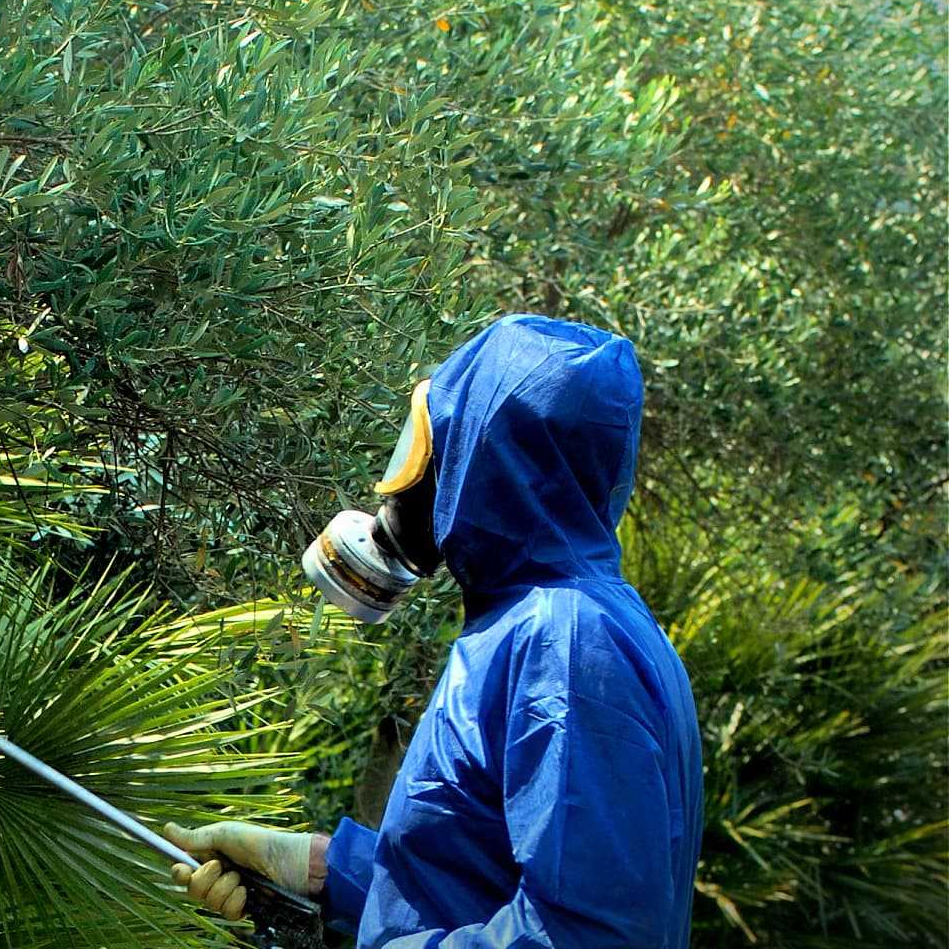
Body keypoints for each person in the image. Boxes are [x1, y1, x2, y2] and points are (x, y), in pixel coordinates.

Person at [166, 314, 704, 947]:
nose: (407, 478)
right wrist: (319, 869)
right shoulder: (539, 622)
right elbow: (472, 880)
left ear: (483, 454)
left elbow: (585, 933)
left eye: (426, 442)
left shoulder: (564, 640)